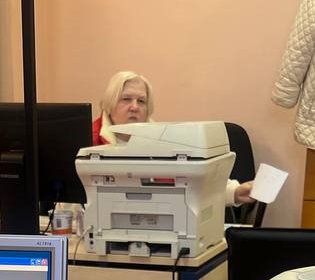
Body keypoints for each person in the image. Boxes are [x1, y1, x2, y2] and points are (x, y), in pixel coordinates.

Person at [93, 70, 256, 206]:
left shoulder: (163, 139)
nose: (134, 107)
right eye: (126, 99)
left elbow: (194, 179)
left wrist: (235, 192)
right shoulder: (88, 141)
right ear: (110, 103)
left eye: (141, 101)